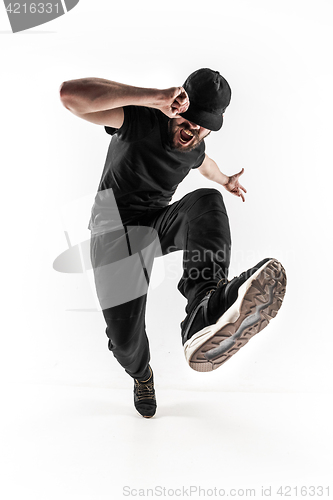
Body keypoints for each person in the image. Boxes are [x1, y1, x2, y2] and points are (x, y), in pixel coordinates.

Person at [59, 68, 287, 418]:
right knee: (124, 343)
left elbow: (205, 165)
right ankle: (142, 374)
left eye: (203, 125)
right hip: (112, 232)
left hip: (154, 226)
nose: (193, 130)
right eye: (190, 119)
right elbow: (70, 96)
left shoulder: (195, 146)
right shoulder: (139, 118)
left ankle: (204, 307)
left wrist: (226, 180)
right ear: (177, 105)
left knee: (207, 201)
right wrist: (152, 97)